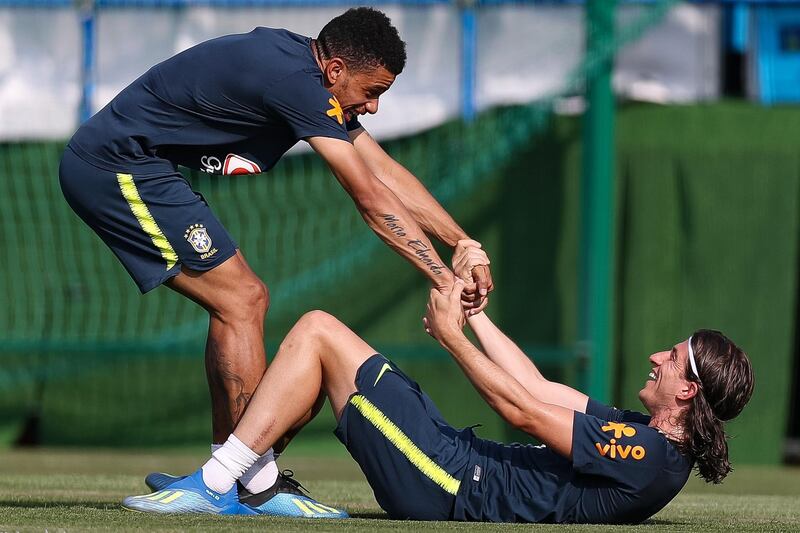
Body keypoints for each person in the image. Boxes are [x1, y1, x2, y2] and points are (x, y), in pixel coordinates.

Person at [58, 8, 493, 516]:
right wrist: (442, 278)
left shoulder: (311, 77)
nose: (372, 107)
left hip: (143, 168)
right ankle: (251, 486)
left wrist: (462, 243)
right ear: (335, 71)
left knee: (243, 300)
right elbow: (371, 200)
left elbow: (384, 171)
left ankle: (228, 475)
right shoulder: (299, 83)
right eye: (371, 92)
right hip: (116, 167)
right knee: (242, 299)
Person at [122, 269, 755, 522]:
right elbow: (537, 387)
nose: (655, 357)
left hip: (449, 484)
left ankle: (218, 484)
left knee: (318, 330)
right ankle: (254, 487)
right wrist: (477, 317)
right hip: (454, 463)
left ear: (688, 390)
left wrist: (454, 339)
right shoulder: (648, 442)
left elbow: (522, 410)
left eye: (670, 359)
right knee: (323, 339)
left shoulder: (646, 454)